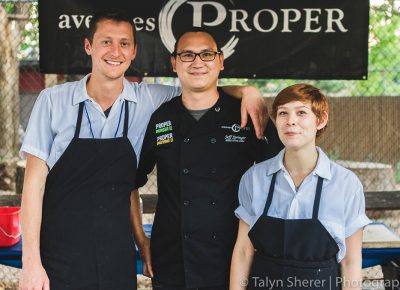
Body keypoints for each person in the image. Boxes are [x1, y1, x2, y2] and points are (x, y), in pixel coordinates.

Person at [19, 10, 270, 290]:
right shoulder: (52, 101)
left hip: (117, 254)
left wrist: (248, 90)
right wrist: (31, 264)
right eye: (106, 42)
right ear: (88, 46)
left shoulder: (151, 99)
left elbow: (201, 86)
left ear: (134, 52)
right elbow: (32, 187)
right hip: (60, 251)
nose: (116, 51)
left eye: (124, 43)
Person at [133, 30, 283, 290]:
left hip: (234, 253)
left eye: (207, 54)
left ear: (221, 61)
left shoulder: (246, 113)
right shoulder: (161, 117)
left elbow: (280, 176)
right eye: (187, 55)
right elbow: (132, 181)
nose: (197, 62)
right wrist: (141, 240)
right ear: (174, 63)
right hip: (172, 257)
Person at [230, 84, 371, 290]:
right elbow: (243, 251)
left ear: (321, 121)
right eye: (283, 113)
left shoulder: (346, 184)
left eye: (301, 113)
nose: (291, 121)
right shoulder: (254, 179)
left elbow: (350, 261)